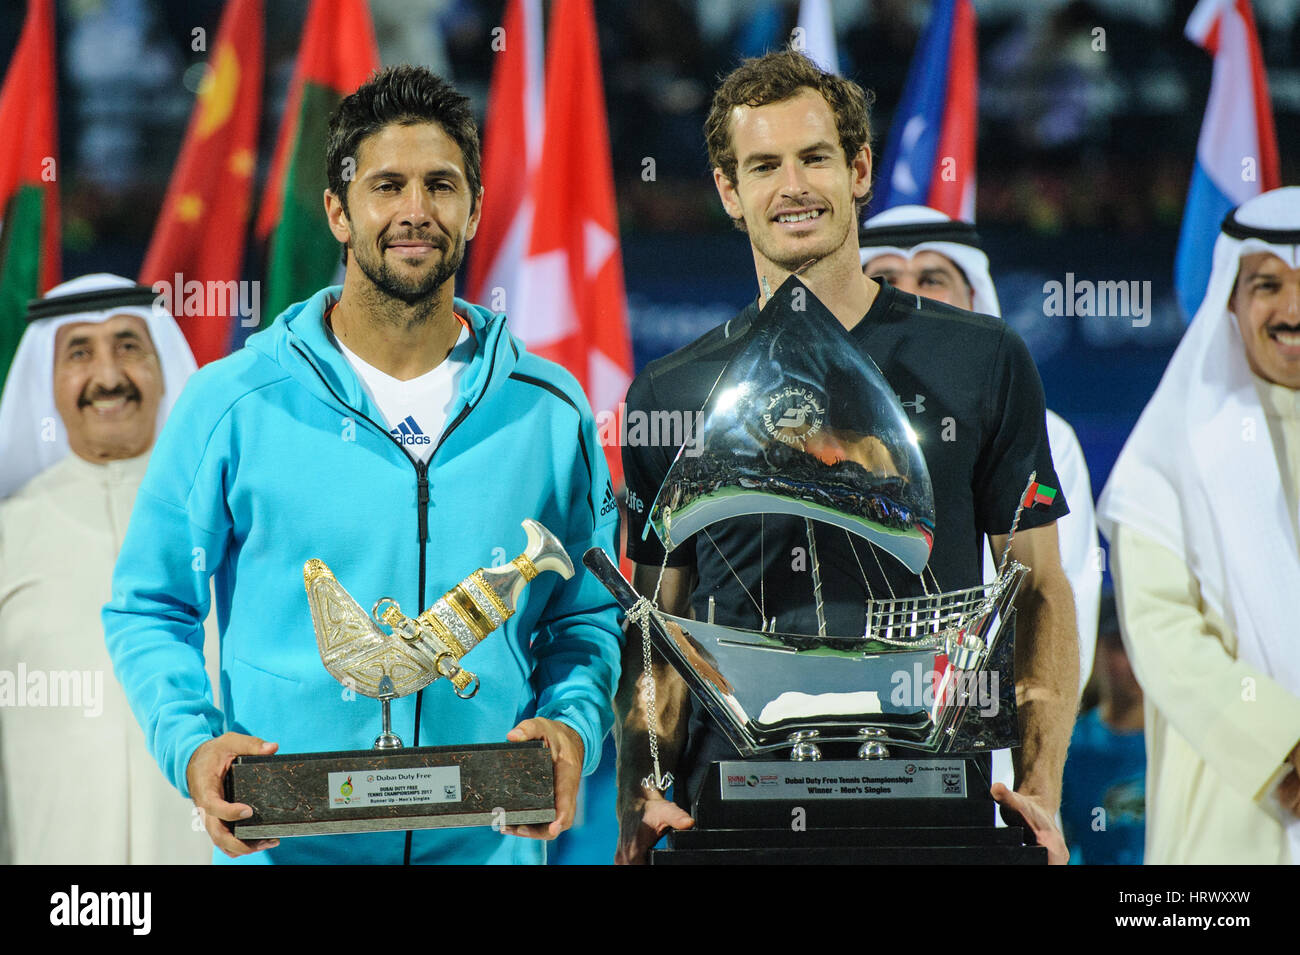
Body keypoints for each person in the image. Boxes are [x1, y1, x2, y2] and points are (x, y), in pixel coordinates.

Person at [102, 65, 623, 865]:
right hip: (287, 854)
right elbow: (148, 607)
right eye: (388, 186)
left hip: (489, 850)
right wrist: (193, 746)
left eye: (441, 185)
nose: (416, 212)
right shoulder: (232, 402)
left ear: (476, 208)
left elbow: (586, 617)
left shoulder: (550, 409)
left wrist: (572, 724)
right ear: (339, 213)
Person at [616, 50, 1079, 865]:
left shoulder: (984, 359)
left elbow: (1037, 587)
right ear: (730, 192)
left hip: (936, 815)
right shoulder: (669, 389)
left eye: (814, 157)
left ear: (859, 169)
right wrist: (639, 788)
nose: (792, 186)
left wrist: (1039, 782)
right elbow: (658, 631)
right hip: (731, 823)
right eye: (763, 165)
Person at [1098, 186, 1300, 864]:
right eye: (1267, 284)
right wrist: (1283, 742)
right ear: (1233, 302)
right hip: (1234, 806)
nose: (1292, 308)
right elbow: (1163, 636)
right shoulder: (1171, 454)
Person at [0, 272, 214, 864]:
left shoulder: (230, 523)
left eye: (128, 346)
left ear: (164, 365)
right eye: (79, 353)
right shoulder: (8, 535)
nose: (109, 376)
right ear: (46, 378)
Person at [857, 204, 1101, 692]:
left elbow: (1057, 597)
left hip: (994, 744)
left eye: (931, 278)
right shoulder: (820, 439)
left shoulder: (1047, 436)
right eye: (885, 278)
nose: (907, 296)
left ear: (974, 299)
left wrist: (1016, 759)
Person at [1058, 594, 1145, 865]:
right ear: (1097, 651)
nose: (1134, 661)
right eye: (1121, 645)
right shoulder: (1067, 745)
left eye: (1141, 645)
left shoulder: (1184, 744)